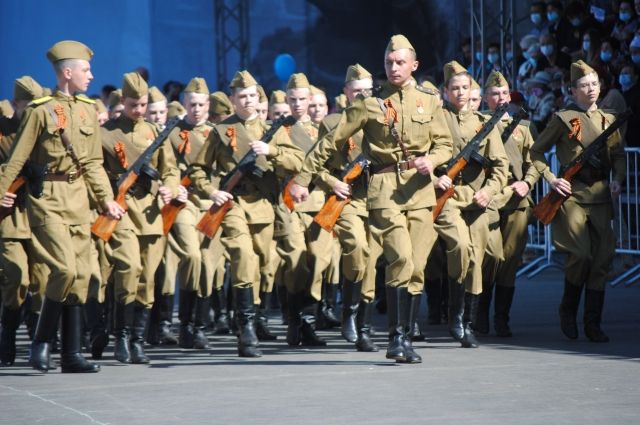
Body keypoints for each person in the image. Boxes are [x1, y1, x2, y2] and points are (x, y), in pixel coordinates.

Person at [289, 35, 453, 363]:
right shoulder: (370, 104)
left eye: (400, 62)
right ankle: (395, 338)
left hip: (420, 191)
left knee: (417, 267)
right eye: (389, 62)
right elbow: (330, 141)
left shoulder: (429, 101)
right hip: (384, 190)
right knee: (401, 258)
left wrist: (431, 161)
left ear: (414, 65)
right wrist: (303, 177)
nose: (394, 68)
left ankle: (406, 338)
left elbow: (445, 145)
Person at [0, 40, 125, 373]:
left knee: (82, 275)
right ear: (67, 73)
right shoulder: (40, 111)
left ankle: (71, 355)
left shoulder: (86, 109)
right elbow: (17, 159)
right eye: (86, 70)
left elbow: (94, 163)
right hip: (49, 200)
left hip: (80, 200)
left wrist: (106, 200)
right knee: (64, 270)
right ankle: (41, 343)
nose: (91, 75)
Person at [189, 70, 303, 357]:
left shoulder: (274, 130)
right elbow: (199, 170)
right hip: (233, 205)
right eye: (242, 96)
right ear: (232, 99)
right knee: (242, 255)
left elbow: (297, 161)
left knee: (261, 266)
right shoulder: (220, 131)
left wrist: (271, 150)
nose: (248, 101)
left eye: (252, 95)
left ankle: (253, 315)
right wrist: (212, 191)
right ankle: (246, 329)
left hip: (264, 206)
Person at [530, 60, 626, 343]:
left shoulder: (608, 120)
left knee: (602, 261)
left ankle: (593, 323)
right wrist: (551, 178)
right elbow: (536, 152)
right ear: (573, 90)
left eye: (594, 83)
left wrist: (618, 178)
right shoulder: (562, 119)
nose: (591, 89)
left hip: (600, 196)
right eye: (584, 85)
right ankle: (568, 309)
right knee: (581, 255)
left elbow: (619, 155)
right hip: (571, 195)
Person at [292, 63, 379, 351]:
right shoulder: (331, 124)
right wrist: (333, 183)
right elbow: (315, 164)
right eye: (356, 91)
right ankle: (348, 312)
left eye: (367, 90)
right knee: (356, 247)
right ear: (345, 93)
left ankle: (357, 314)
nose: (362, 96)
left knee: (372, 259)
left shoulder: (383, 119)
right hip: (347, 198)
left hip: (378, 196)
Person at [101, 72, 183, 365]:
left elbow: (171, 169)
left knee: (148, 277)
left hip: (150, 212)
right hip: (121, 211)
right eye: (133, 105)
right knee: (129, 268)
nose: (139, 110)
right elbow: (95, 170)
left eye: (143, 104)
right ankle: (121, 336)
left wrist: (170, 188)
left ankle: (137, 339)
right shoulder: (107, 133)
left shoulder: (153, 132)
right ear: (122, 101)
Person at [435, 61, 509, 349]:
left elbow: (501, 167)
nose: (461, 93)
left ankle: (467, 322)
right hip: (450, 197)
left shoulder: (483, 123)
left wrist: (489, 192)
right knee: (462, 249)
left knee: (477, 260)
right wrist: (437, 178)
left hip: (478, 200)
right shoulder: (437, 120)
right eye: (455, 88)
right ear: (445, 91)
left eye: (465, 88)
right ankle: (454, 315)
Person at [475, 71, 544, 337]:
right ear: (485, 98)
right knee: (490, 259)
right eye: (494, 94)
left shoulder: (522, 127)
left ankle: (501, 318)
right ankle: (480, 314)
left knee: (510, 262)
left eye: (504, 93)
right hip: (489, 200)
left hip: (517, 201)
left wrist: (527, 182)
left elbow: (534, 162)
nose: (500, 98)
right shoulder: (478, 125)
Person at [0, 76, 45, 366]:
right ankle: (7, 336)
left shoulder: (46, 131)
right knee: (17, 279)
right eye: (29, 107)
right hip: (11, 217)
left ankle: (39, 340)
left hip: (42, 214)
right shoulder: (2, 132)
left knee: (42, 282)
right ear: (16, 105)